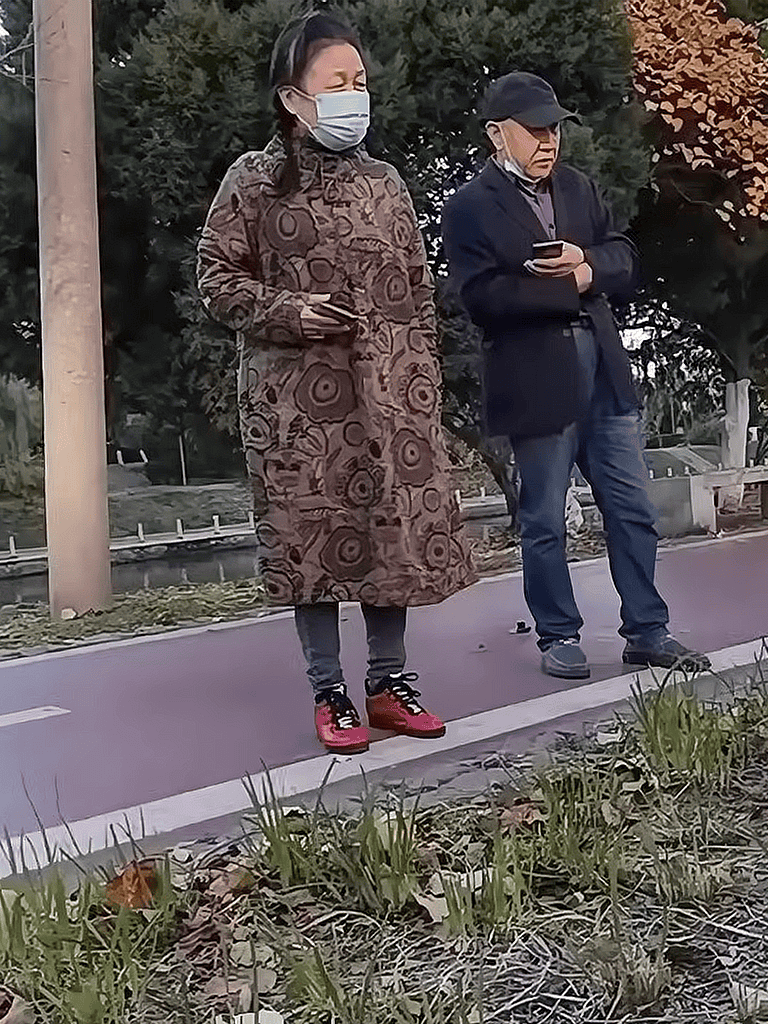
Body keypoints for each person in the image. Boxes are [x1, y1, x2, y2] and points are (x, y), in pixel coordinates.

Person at [197, 10, 477, 753]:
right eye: (337, 82)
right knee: (311, 540)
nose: (355, 94)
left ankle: (389, 684)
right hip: (296, 406)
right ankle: (330, 690)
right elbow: (217, 280)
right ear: (294, 98)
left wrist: (421, 383)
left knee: (389, 534)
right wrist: (289, 311)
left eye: (360, 80)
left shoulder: (386, 183)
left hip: (390, 398)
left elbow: (417, 290)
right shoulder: (253, 181)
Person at [441, 72, 710, 681]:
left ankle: (648, 630)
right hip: (535, 377)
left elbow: (626, 258)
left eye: (555, 129)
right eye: (535, 130)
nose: (549, 141)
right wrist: (570, 289)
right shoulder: (470, 207)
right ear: (497, 134)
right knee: (544, 519)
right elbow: (481, 297)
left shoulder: (578, 188)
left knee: (632, 507)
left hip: (605, 371)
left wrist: (586, 266)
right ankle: (558, 634)